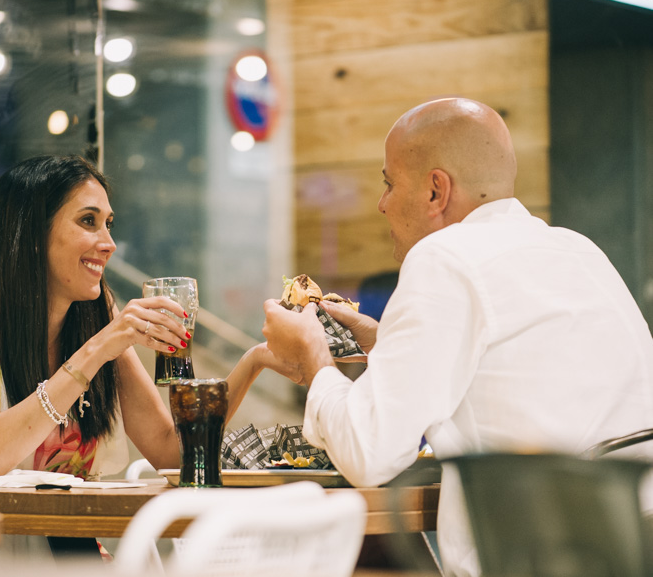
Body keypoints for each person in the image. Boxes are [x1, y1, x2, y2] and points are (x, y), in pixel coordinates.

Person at [261, 98, 653, 577]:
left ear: (435, 191)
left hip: (539, 558)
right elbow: (506, 371)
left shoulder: (444, 257)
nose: (382, 203)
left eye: (388, 183)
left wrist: (314, 356)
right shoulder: (577, 249)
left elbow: (370, 454)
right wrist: (386, 340)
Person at [0, 155, 271, 561]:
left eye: (109, 223)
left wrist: (255, 360)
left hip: (70, 553)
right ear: (32, 233)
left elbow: (172, 454)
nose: (108, 243)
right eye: (88, 221)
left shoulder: (96, 324)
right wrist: (97, 349)